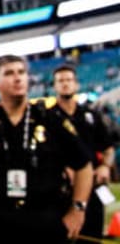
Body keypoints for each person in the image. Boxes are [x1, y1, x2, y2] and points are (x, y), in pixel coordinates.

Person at [0, 55, 93, 243]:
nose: (17, 78)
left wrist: (78, 210)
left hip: (49, 219)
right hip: (4, 220)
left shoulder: (50, 118)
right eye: (9, 73)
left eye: (21, 72)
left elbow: (84, 165)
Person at [48, 63, 115, 244]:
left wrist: (105, 167)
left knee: (91, 238)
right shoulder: (47, 118)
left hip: (92, 189)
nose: (65, 84)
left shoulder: (90, 115)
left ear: (76, 84)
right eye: (60, 81)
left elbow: (108, 148)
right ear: (54, 86)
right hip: (60, 192)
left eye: (69, 80)